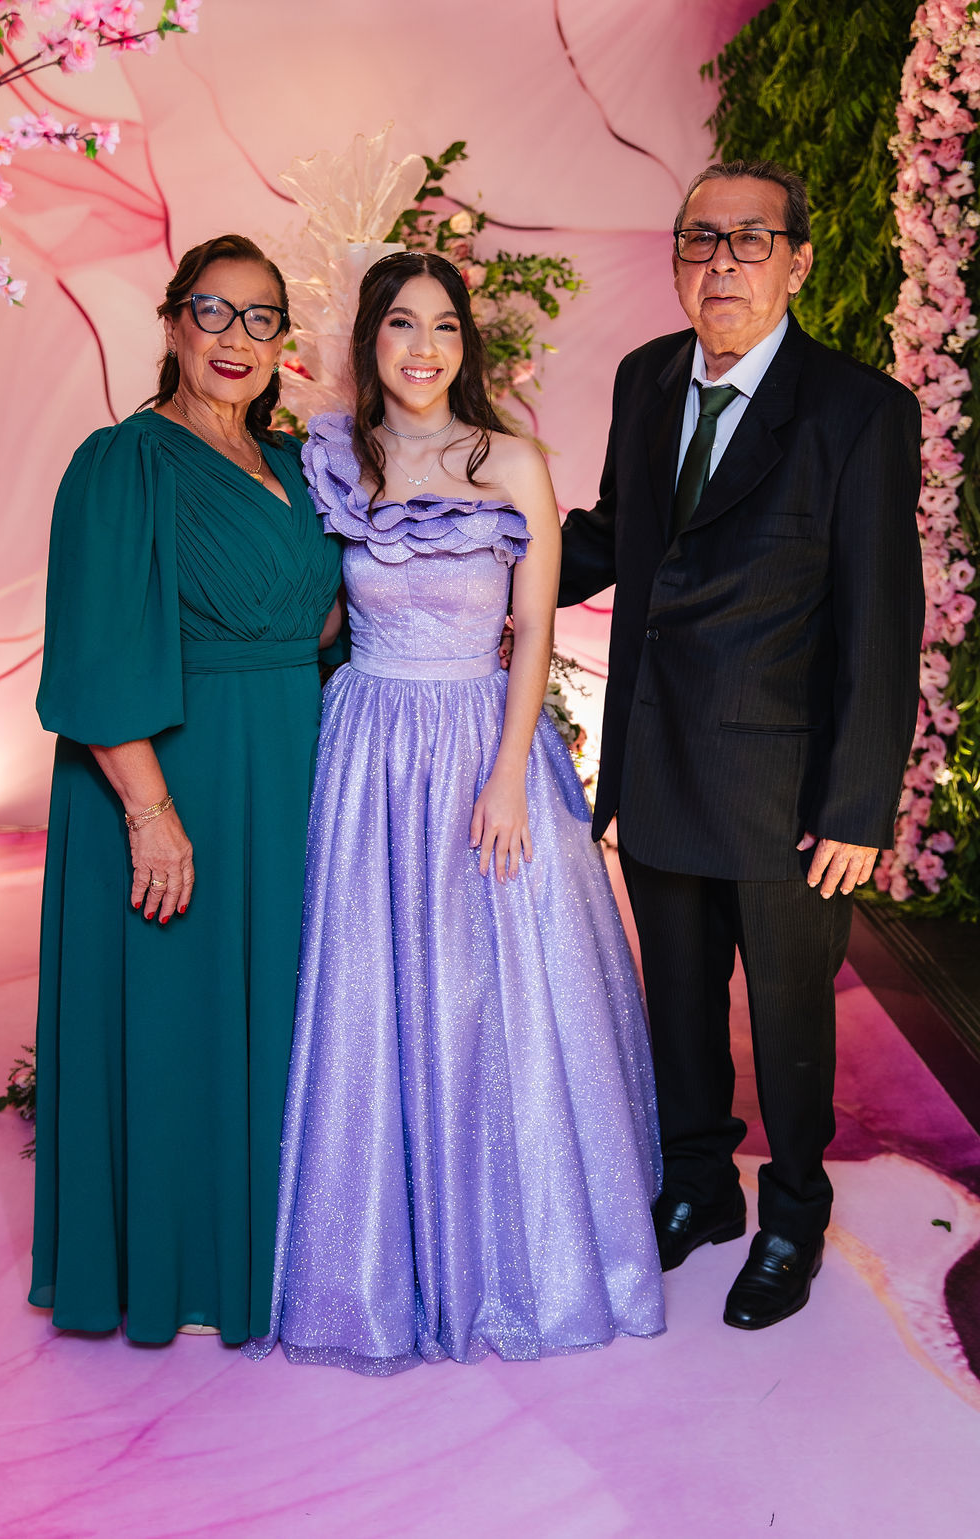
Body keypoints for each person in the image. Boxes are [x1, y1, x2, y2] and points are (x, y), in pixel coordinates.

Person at [245, 250, 665, 1374]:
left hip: (483, 736)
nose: (422, 347)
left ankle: (519, 1253)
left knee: (500, 995)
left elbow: (533, 631)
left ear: (466, 343)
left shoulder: (512, 460)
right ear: (369, 339)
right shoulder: (331, 460)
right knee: (367, 993)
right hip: (367, 748)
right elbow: (313, 615)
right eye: (400, 324)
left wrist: (508, 769)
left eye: (442, 325)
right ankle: (371, 1259)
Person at [558, 159, 925, 1330]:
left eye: (748, 239)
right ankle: (700, 1188)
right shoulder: (645, 378)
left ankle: (793, 1215)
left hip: (785, 791)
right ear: (675, 259)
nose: (720, 263)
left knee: (788, 1019)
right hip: (657, 759)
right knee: (676, 1003)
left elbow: (880, 616)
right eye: (699, 240)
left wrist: (858, 805)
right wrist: (475, 563)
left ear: (797, 261)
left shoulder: (858, 411)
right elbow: (617, 535)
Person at [29, 234, 342, 1343]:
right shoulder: (124, 462)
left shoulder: (298, 466)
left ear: (283, 341)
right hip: (170, 774)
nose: (236, 337)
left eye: (261, 318)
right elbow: (97, 649)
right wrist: (151, 816)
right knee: (176, 1017)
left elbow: (330, 617)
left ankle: (267, 1253)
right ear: (173, 323)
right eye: (214, 311)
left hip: (285, 768)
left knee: (276, 1015)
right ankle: (177, 1265)